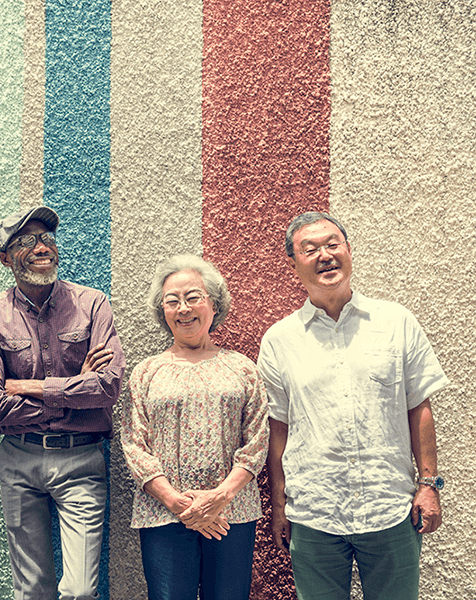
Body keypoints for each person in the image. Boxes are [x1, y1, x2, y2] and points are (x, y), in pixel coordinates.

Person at [259, 212, 449, 600]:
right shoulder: (280, 339)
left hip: (390, 506)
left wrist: (428, 485)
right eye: (309, 249)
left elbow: (419, 407)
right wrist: (279, 503)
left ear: (349, 251)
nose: (324, 255)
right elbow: (278, 427)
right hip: (314, 512)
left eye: (333, 244)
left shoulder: (396, 321)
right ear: (293, 265)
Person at [0, 206, 126, 600]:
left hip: (82, 462)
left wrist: (28, 387)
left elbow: (107, 389)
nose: (41, 247)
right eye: (26, 241)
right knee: (31, 589)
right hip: (19, 460)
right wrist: (76, 388)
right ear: (6, 258)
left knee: (79, 591)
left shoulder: (93, 305)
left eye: (47, 239)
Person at [121, 255, 268, 600]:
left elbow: (258, 439)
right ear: (163, 313)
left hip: (231, 512)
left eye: (193, 297)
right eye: (172, 301)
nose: (183, 308)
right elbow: (134, 443)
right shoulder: (146, 372)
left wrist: (219, 497)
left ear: (213, 306)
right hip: (163, 515)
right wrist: (178, 503)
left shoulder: (242, 368)